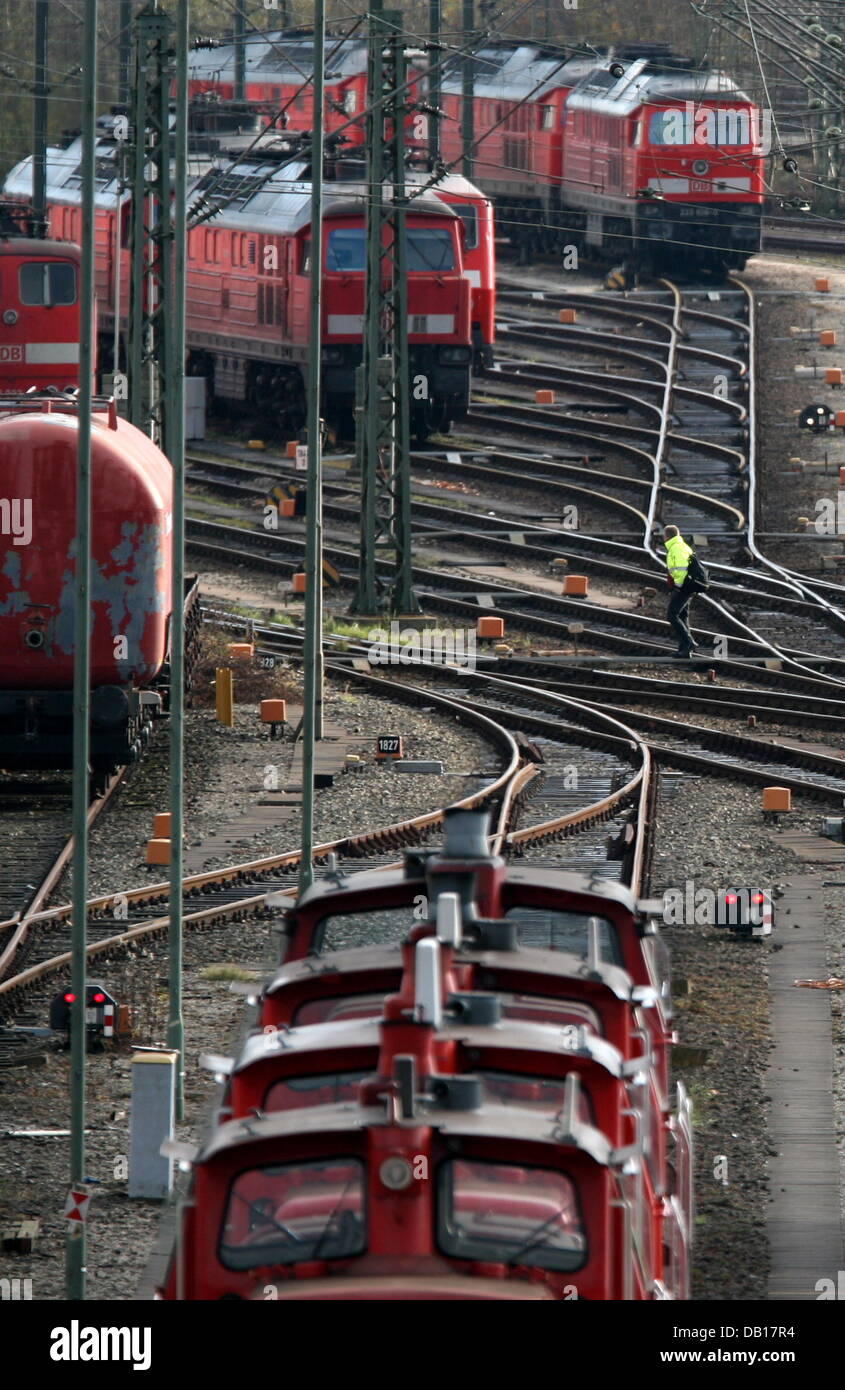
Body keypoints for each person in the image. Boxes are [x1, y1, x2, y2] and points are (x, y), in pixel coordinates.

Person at [663, 524, 700, 657]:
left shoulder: (676, 548)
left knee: (672, 615)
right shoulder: (682, 545)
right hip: (689, 586)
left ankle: (689, 642)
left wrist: (678, 586)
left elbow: (681, 568)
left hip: (683, 587)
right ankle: (684, 650)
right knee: (682, 616)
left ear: (667, 536)